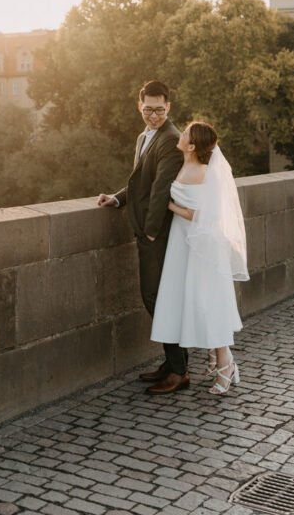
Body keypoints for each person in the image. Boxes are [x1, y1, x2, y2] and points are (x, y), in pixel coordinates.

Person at [97, 80, 187, 394]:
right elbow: (141, 181)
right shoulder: (145, 136)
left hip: (157, 234)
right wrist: (119, 198)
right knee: (156, 298)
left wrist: (149, 232)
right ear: (140, 106)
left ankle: (179, 370)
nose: (153, 116)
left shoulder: (172, 140)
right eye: (148, 109)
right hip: (149, 231)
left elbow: (161, 189)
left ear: (169, 107)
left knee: (157, 298)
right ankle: (172, 362)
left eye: (159, 110)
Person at [150, 121, 249, 395]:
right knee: (193, 300)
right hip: (182, 244)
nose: (180, 135)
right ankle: (214, 358)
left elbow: (209, 215)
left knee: (207, 301)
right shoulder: (182, 163)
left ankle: (226, 363)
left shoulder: (206, 173)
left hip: (201, 245)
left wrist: (172, 207)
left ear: (192, 146)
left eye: (185, 134)